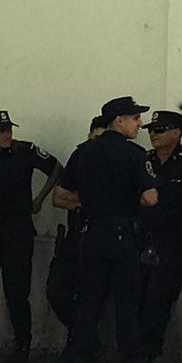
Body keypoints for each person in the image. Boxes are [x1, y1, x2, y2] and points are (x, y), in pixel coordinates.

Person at [55, 96, 159, 363]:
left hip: (90, 233)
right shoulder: (135, 154)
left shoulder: (84, 152)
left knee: (89, 303)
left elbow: (62, 194)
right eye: (135, 119)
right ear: (119, 121)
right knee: (126, 304)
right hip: (123, 236)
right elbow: (150, 198)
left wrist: (91, 200)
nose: (139, 124)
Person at [0, 109, 60, 363]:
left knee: (16, 292)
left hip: (17, 230)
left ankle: (22, 345)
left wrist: (40, 199)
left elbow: (56, 168)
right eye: (1, 131)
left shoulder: (25, 152)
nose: (7, 134)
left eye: (9, 129)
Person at [137, 110, 182, 363]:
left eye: (160, 130)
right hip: (143, 238)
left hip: (174, 240)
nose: (153, 134)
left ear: (177, 132)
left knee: (159, 298)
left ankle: (147, 357)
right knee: (136, 296)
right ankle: (134, 354)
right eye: (151, 130)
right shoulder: (143, 161)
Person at [47, 113, 110, 334]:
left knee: (92, 297)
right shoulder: (81, 156)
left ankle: (82, 346)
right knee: (57, 291)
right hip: (75, 237)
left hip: (103, 238)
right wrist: (92, 201)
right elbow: (58, 198)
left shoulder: (119, 160)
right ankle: (82, 340)